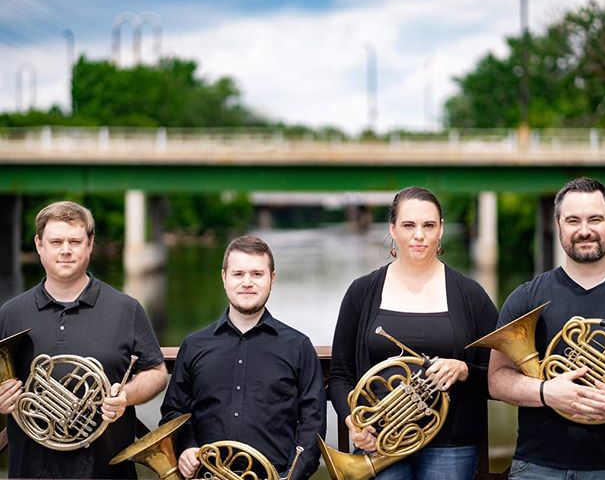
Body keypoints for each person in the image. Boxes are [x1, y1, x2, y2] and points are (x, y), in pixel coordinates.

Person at [328, 186, 498, 480]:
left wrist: (464, 369)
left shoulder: (470, 294)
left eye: (429, 225)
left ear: (441, 230)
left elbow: (499, 374)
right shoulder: (362, 292)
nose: (419, 235)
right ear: (393, 229)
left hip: (452, 444)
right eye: (409, 225)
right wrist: (353, 423)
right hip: (380, 441)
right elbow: (340, 375)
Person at [0, 200, 168, 479]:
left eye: (75, 241)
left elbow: (157, 372)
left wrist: (126, 396)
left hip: (105, 470)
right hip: (32, 470)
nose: (65, 250)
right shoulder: (11, 313)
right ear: (39, 245)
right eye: (56, 241)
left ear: (89, 244)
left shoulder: (125, 308)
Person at [488, 177, 605, 478]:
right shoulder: (527, 296)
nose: (584, 230)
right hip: (537, 467)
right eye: (573, 220)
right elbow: (497, 380)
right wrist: (546, 392)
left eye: (595, 219)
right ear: (558, 224)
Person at [160, 234, 326, 480]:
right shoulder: (194, 345)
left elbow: (313, 424)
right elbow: (174, 412)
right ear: (224, 278)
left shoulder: (298, 346)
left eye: (257, 274)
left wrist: (292, 476)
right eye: (238, 274)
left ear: (272, 279)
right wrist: (185, 448)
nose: (247, 282)